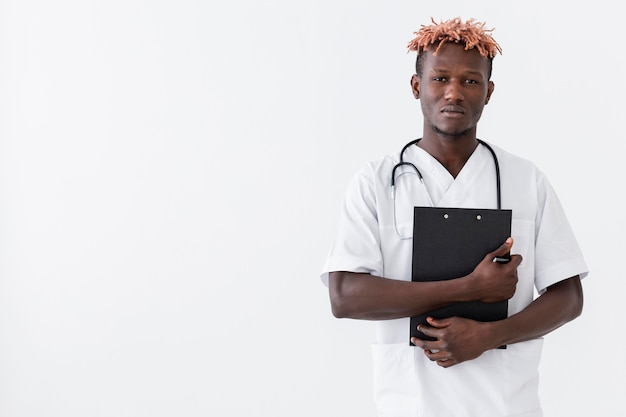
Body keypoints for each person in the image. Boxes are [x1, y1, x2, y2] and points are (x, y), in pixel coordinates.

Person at [320, 17, 588, 417]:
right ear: (416, 87)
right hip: (410, 403)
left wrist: (489, 336)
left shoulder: (525, 180)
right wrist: (469, 287)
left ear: (489, 92)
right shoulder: (375, 182)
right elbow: (344, 296)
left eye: (471, 81)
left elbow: (568, 297)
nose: (454, 93)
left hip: (505, 403)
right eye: (440, 78)